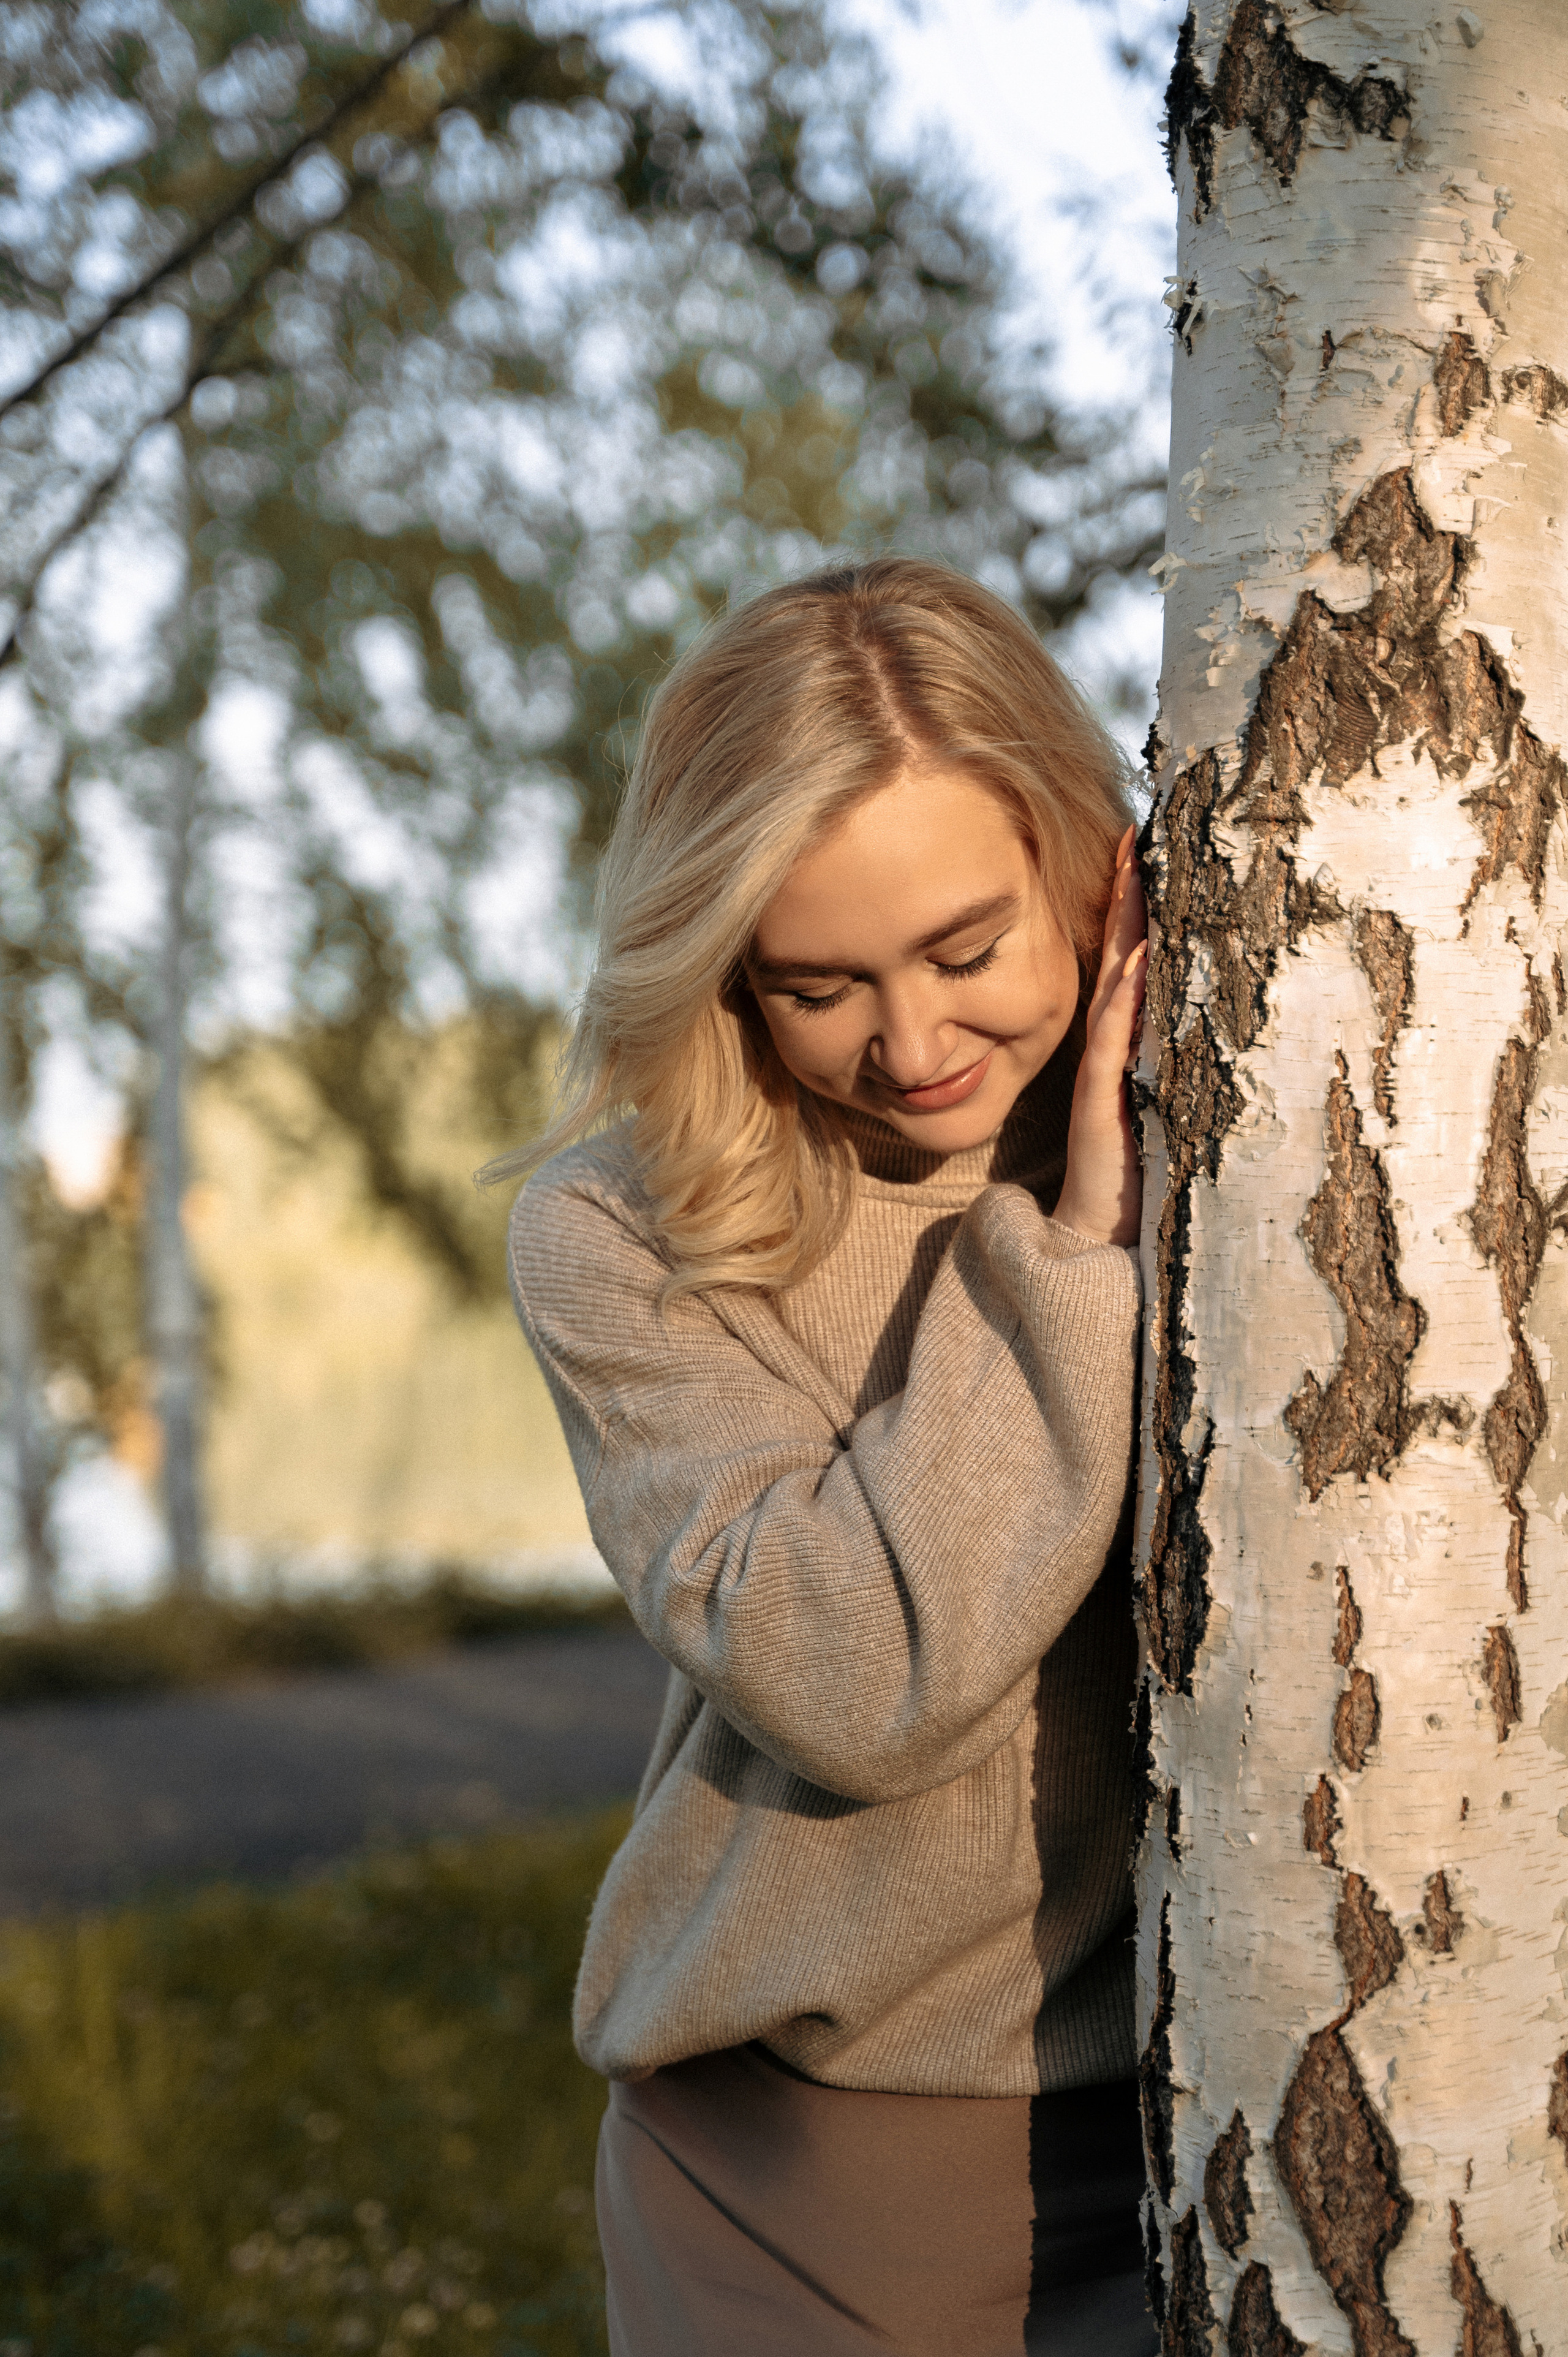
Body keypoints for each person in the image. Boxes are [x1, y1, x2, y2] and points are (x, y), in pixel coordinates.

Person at [505, 558, 1153, 2356]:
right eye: (819, 984)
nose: (917, 1044)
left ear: (1084, 859)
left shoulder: (1266, 1101)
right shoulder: (624, 1235)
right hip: (795, 2186)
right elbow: (865, 1679)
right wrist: (1070, 1260)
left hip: (1227, 2124)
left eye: (967, 949)